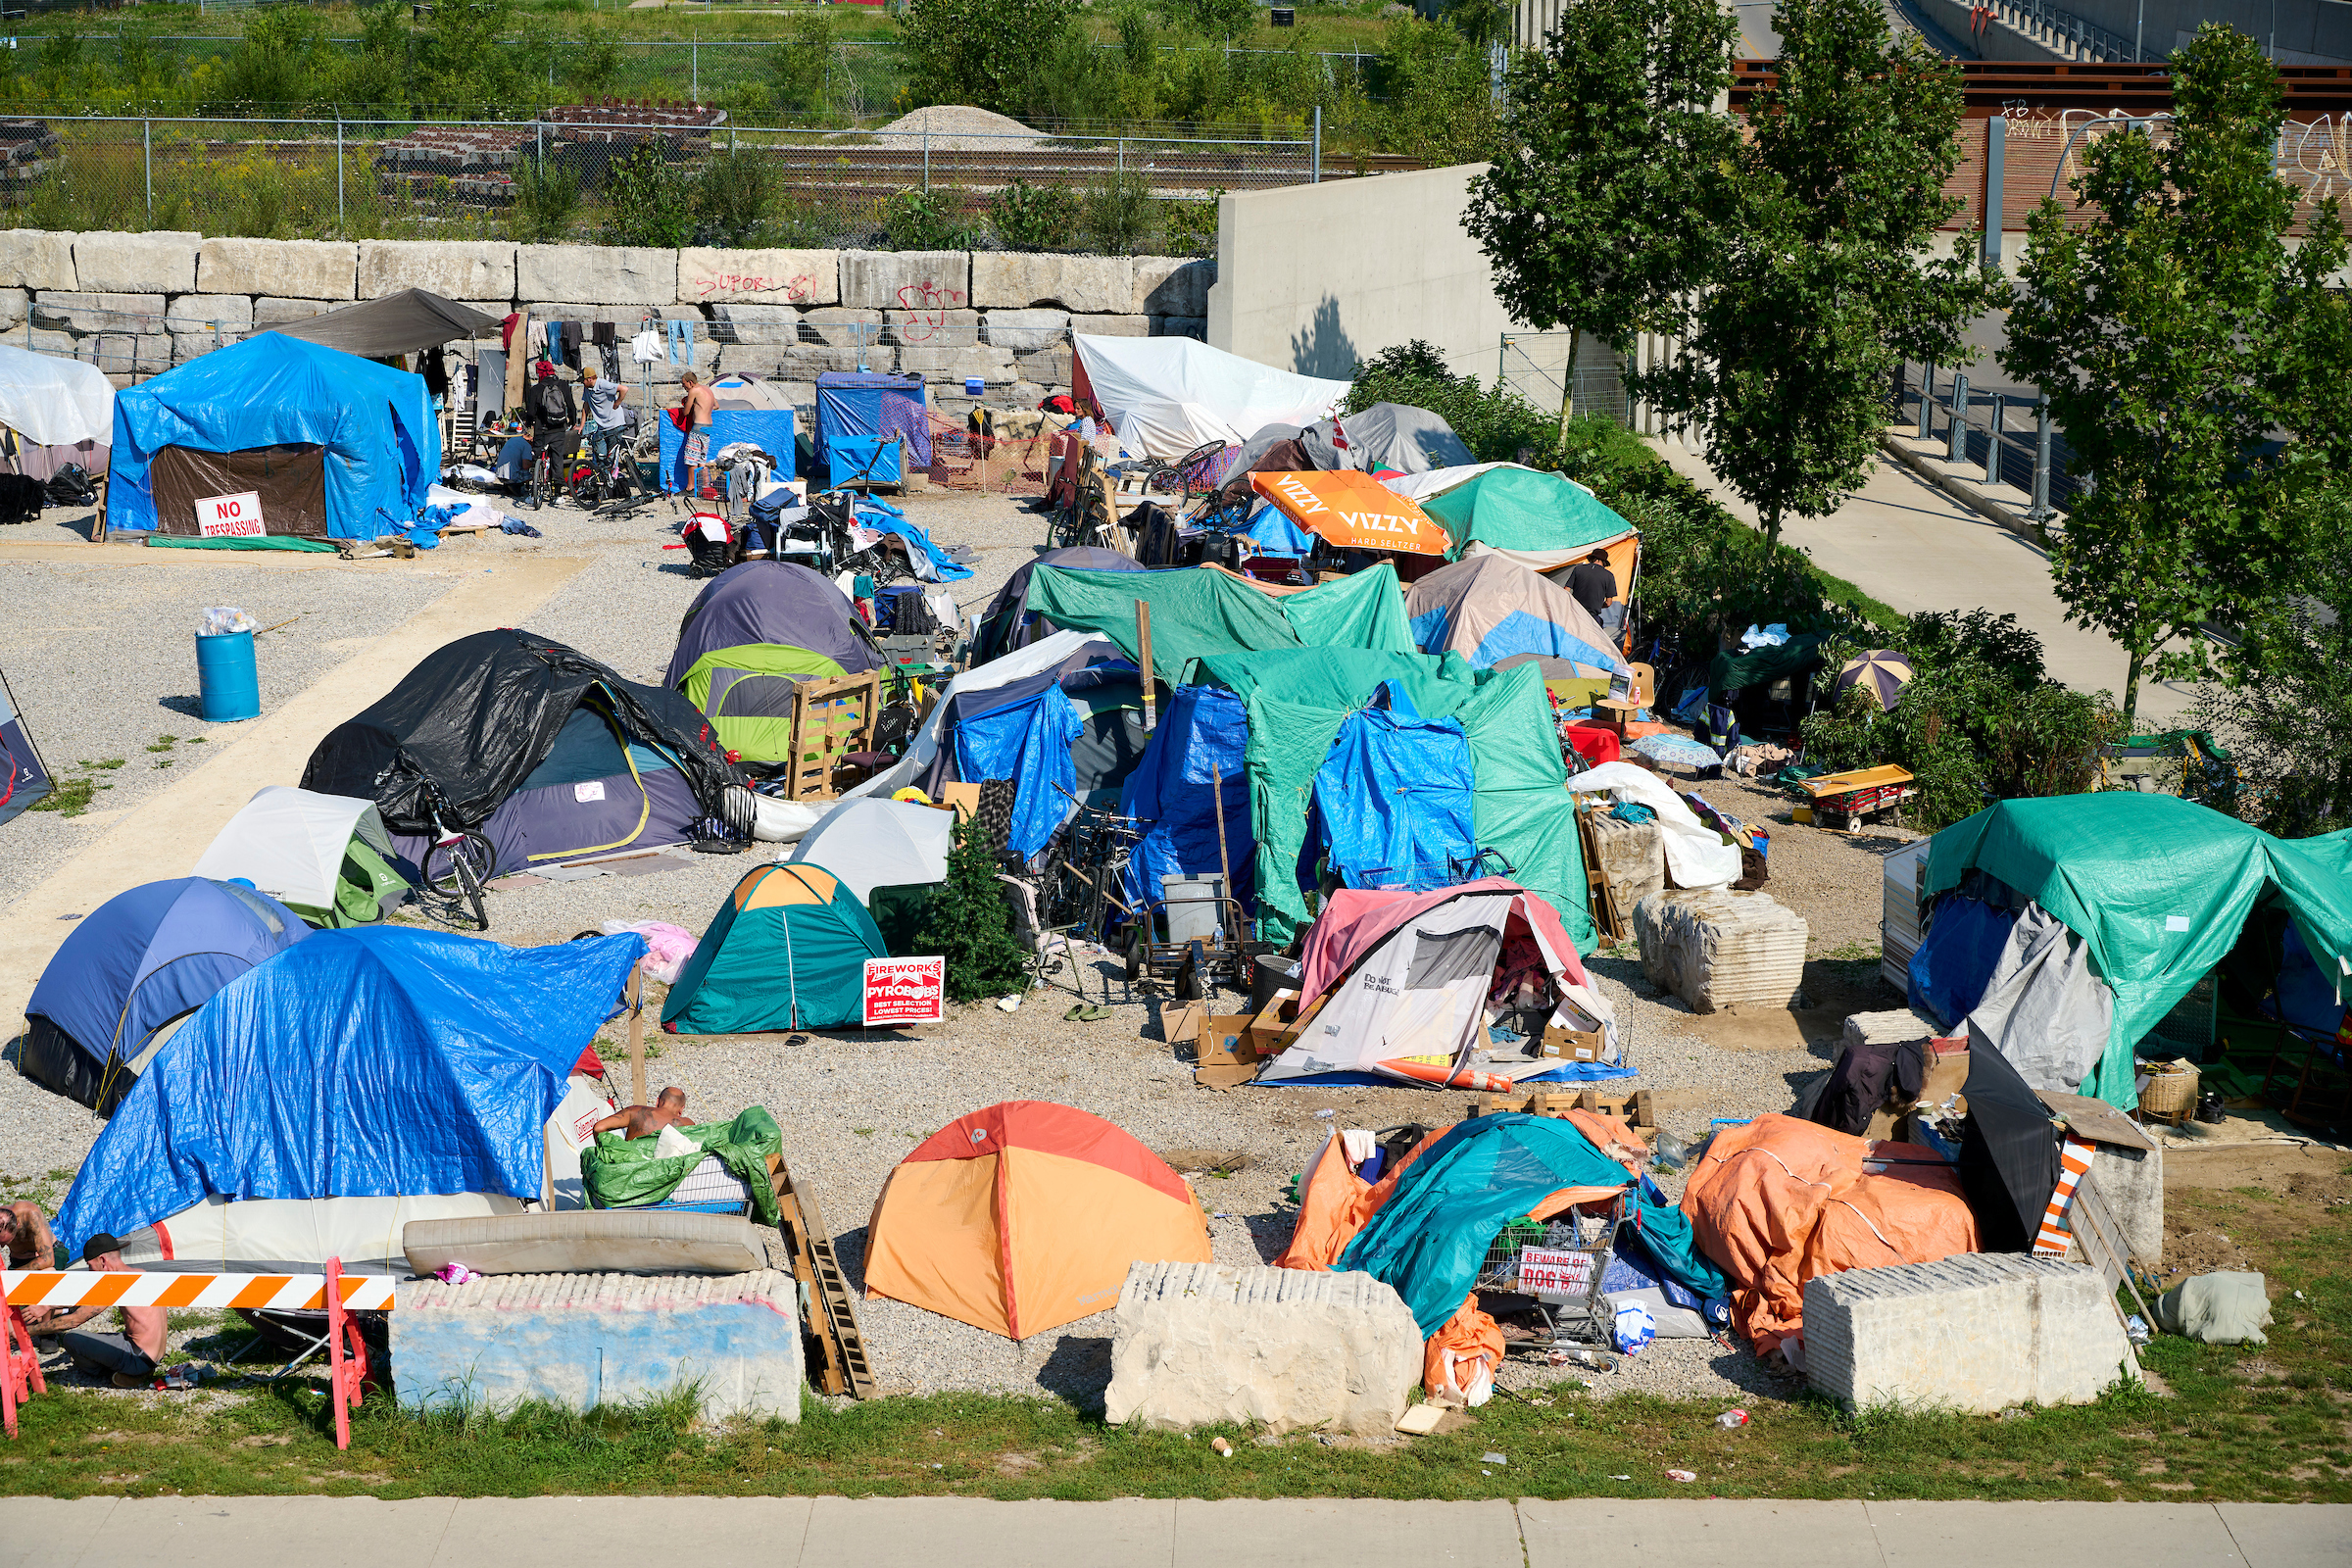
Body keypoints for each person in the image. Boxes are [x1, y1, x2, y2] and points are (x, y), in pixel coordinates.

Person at [30, 1235, 168, 1388]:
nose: (90, 1271)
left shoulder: (116, 1283)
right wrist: (49, 1305)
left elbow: (74, 1320)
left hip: (138, 1357)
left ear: (102, 1261)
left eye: (90, 1265)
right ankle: (135, 1371)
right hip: (154, 1356)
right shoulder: (140, 1273)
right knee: (105, 1338)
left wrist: (28, 1331)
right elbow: (85, 1296)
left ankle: (126, 1374)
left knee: (71, 1339)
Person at [525, 360, 580, 507]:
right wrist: (572, 422)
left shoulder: (535, 390)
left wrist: (528, 424)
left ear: (540, 373)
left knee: (537, 457)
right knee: (557, 459)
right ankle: (557, 495)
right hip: (559, 429)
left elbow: (530, 412)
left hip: (542, 430)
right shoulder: (563, 386)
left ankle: (534, 492)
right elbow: (572, 407)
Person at [592, 1086, 697, 1141]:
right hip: (664, 1177)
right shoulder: (688, 1124)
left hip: (631, 1173)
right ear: (681, 1109)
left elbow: (599, 1128)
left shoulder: (635, 1112)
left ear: (657, 1101)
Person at [581, 363, 628, 477]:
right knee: (600, 454)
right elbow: (586, 406)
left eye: (583, 380)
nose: (582, 382)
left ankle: (613, 479)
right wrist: (581, 426)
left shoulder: (603, 384)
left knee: (611, 457)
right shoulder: (587, 389)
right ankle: (603, 479)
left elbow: (624, 389)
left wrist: (617, 403)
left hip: (615, 424)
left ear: (590, 379)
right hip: (602, 426)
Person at [678, 371, 715, 499]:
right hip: (708, 428)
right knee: (702, 460)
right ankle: (705, 488)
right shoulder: (708, 389)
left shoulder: (694, 391)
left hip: (698, 427)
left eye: (684, 384)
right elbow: (716, 405)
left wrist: (691, 403)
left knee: (691, 459)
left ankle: (690, 487)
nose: (684, 387)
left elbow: (686, 412)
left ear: (690, 382)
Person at [0, 1199, 62, 1271]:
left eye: (6, 1242)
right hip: (19, 1259)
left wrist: (16, 1273)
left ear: (17, 1225)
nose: (2, 1246)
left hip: (53, 1252)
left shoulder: (30, 1214)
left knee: (48, 1271)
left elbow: (48, 1260)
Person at [1566, 548, 1620, 629]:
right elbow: (1609, 602)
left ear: (1592, 559)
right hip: (1592, 618)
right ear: (1604, 562)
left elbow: (1566, 590)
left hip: (1574, 613)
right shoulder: (1609, 576)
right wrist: (1597, 605)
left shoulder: (1578, 569)